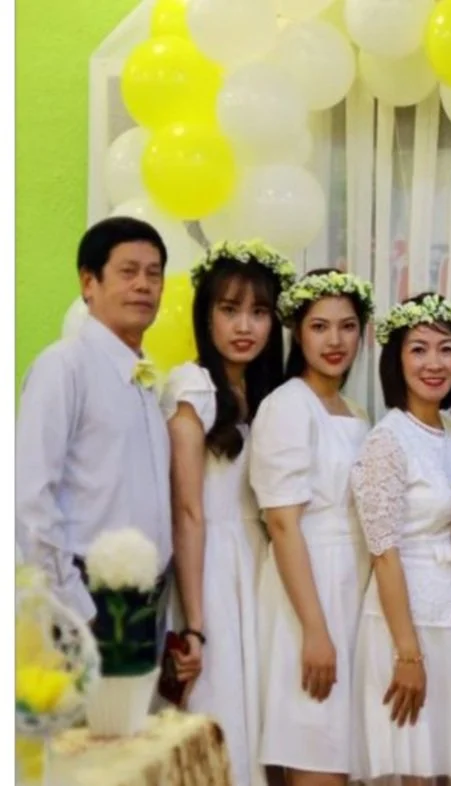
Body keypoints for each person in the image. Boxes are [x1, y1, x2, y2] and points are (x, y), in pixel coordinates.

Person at [161, 240, 294, 786]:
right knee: (218, 718)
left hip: (262, 570)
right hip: (209, 570)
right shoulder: (191, 387)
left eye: (259, 312)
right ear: (206, 315)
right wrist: (194, 624)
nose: (245, 326)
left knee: (266, 719)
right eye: (229, 309)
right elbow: (188, 512)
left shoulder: (269, 396)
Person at [249, 268, 375, 786]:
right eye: (320, 326)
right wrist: (316, 631)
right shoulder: (286, 406)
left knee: (346, 754)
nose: (335, 340)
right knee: (315, 747)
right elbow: (282, 524)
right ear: (298, 332)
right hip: (309, 590)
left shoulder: (357, 411)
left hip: (354, 587)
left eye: (347, 326)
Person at [16, 216, 172, 621]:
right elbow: (29, 500)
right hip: (86, 598)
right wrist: (73, 607)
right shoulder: (64, 366)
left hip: (145, 601)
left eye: (154, 274)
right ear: (89, 283)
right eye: (128, 272)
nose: (143, 285)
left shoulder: (145, 378)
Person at [348, 293, 451, 785]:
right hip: (403, 628)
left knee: (442, 769)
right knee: (409, 768)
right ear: (396, 360)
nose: (434, 363)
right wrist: (407, 654)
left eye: (445, 349)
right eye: (418, 349)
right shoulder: (387, 440)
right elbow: (383, 554)